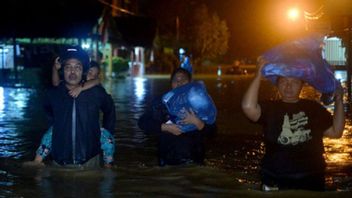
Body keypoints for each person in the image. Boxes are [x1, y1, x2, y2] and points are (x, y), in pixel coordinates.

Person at [241, 57, 345, 191]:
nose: (288, 86)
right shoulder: (270, 108)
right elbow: (248, 107)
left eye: (294, 82)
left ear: (302, 85)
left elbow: (336, 132)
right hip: (275, 177)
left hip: (311, 177)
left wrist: (339, 101)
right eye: (284, 81)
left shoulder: (314, 108)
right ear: (277, 85)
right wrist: (258, 76)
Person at [27, 46, 116, 168]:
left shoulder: (97, 93)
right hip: (58, 163)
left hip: (90, 162)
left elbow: (110, 109)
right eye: (68, 67)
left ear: (83, 71)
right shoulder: (53, 93)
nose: (72, 72)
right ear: (62, 70)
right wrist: (57, 129)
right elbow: (46, 112)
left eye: (77, 67)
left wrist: (106, 133)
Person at [138, 68, 216, 166]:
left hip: (193, 163)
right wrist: (164, 127)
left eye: (183, 80)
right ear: (171, 83)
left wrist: (198, 123)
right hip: (167, 162)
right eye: (176, 80)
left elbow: (213, 133)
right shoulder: (162, 103)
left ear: (190, 83)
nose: (179, 83)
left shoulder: (200, 104)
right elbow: (142, 122)